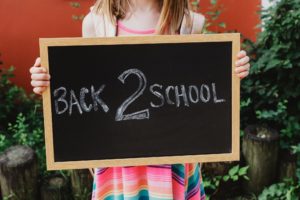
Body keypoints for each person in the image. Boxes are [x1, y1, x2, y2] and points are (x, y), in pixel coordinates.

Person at [30, 0, 250, 199]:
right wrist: (47, 82)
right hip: (119, 165)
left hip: (173, 160)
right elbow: (85, 90)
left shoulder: (188, 22)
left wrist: (230, 71)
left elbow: (200, 88)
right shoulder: (96, 22)